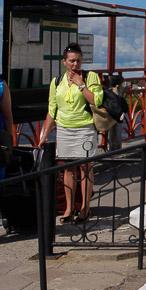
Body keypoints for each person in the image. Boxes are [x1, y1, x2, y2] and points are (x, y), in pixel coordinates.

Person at [37, 43, 103, 223]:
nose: (76, 64)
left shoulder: (90, 77)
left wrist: (81, 85)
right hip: (64, 129)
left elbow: (97, 101)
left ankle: (85, 207)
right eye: (72, 61)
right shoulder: (56, 81)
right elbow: (52, 110)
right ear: (64, 62)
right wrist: (44, 135)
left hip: (85, 127)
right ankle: (68, 208)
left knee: (85, 167)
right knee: (67, 168)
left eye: (79, 61)